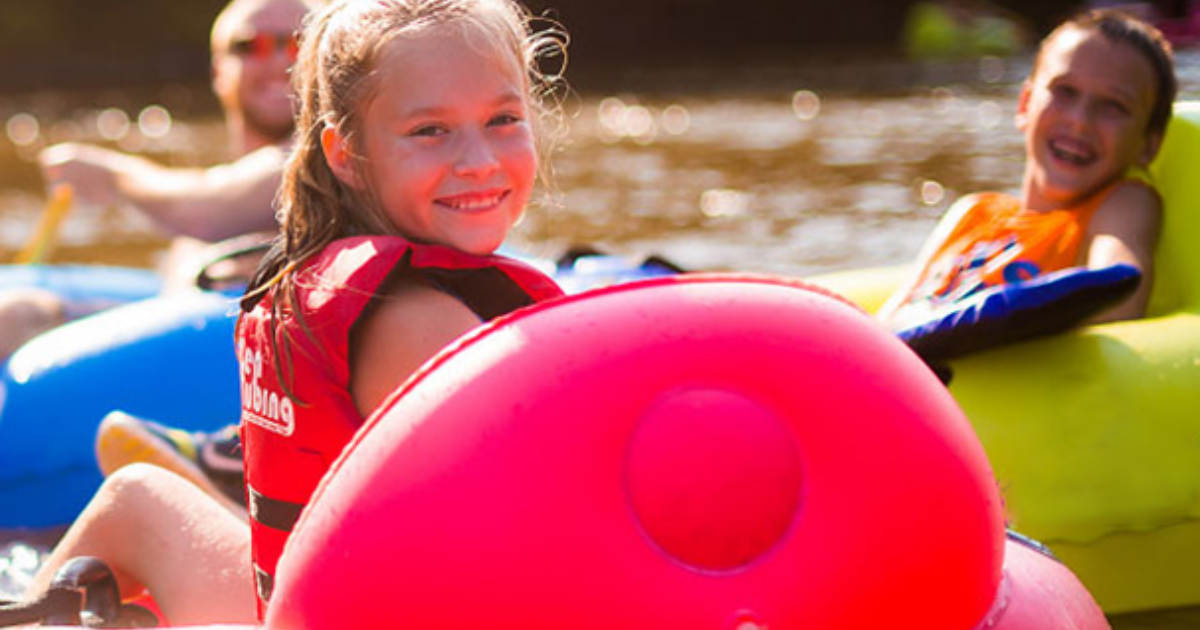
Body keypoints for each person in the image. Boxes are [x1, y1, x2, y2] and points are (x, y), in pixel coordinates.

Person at [23, 0, 567, 623]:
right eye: (430, 131)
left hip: (298, 604)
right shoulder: (425, 327)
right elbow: (533, 548)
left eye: (503, 118)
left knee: (135, 496)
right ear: (344, 153)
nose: (478, 160)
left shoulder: (313, 273)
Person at [0, 0, 315, 366]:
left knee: (12, 318)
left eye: (297, 42)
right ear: (217, 70)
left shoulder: (325, 158)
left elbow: (205, 211)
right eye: (253, 46)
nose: (279, 61)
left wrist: (112, 175)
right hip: (182, 321)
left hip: (244, 349)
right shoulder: (220, 179)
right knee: (19, 311)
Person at [878, 9, 1175, 342]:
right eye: (1065, 91)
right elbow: (888, 319)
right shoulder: (971, 213)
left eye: (1113, 106)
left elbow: (1119, 294)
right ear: (1024, 104)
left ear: (1148, 145)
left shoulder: (1119, 204)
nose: (1080, 121)